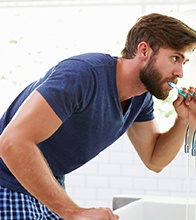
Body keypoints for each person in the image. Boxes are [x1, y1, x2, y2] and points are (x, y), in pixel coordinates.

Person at [0, 13, 196, 220]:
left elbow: (155, 160)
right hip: (6, 181)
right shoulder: (81, 76)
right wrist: (73, 211)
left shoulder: (141, 98)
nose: (180, 73)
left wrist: (183, 119)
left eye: (184, 61)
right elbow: (11, 142)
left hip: (44, 185)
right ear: (144, 50)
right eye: (175, 58)